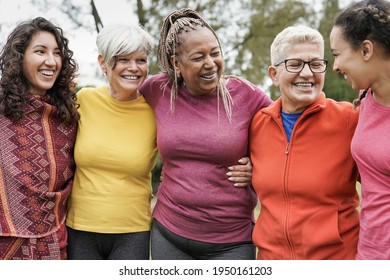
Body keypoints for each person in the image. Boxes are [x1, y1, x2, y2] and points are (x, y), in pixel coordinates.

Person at [139, 8, 272, 260]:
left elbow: (287, 130)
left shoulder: (248, 96)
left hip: (231, 242)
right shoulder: (157, 90)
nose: (210, 64)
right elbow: (120, 101)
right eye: (198, 56)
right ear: (177, 64)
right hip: (169, 234)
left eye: (215, 53)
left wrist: (260, 168)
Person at [249, 25, 360, 259]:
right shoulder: (256, 124)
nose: (308, 73)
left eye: (316, 64)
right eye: (295, 64)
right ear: (273, 74)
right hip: (271, 261)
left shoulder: (350, 119)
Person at [65, 23, 158, 260]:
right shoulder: (84, 100)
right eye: (123, 59)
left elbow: (187, 151)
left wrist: (246, 164)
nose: (134, 68)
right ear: (103, 63)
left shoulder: (157, 111)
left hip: (133, 231)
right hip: (80, 229)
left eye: (141, 60)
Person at [0, 17, 79, 260]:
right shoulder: (2, 112)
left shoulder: (69, 116)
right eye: (40, 51)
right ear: (19, 58)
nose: (51, 61)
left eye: (57, 53)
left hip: (57, 241)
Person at [330, 0, 390, 260]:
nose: (334, 66)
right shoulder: (365, 100)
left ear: (366, 49)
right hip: (368, 256)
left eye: (337, 54)